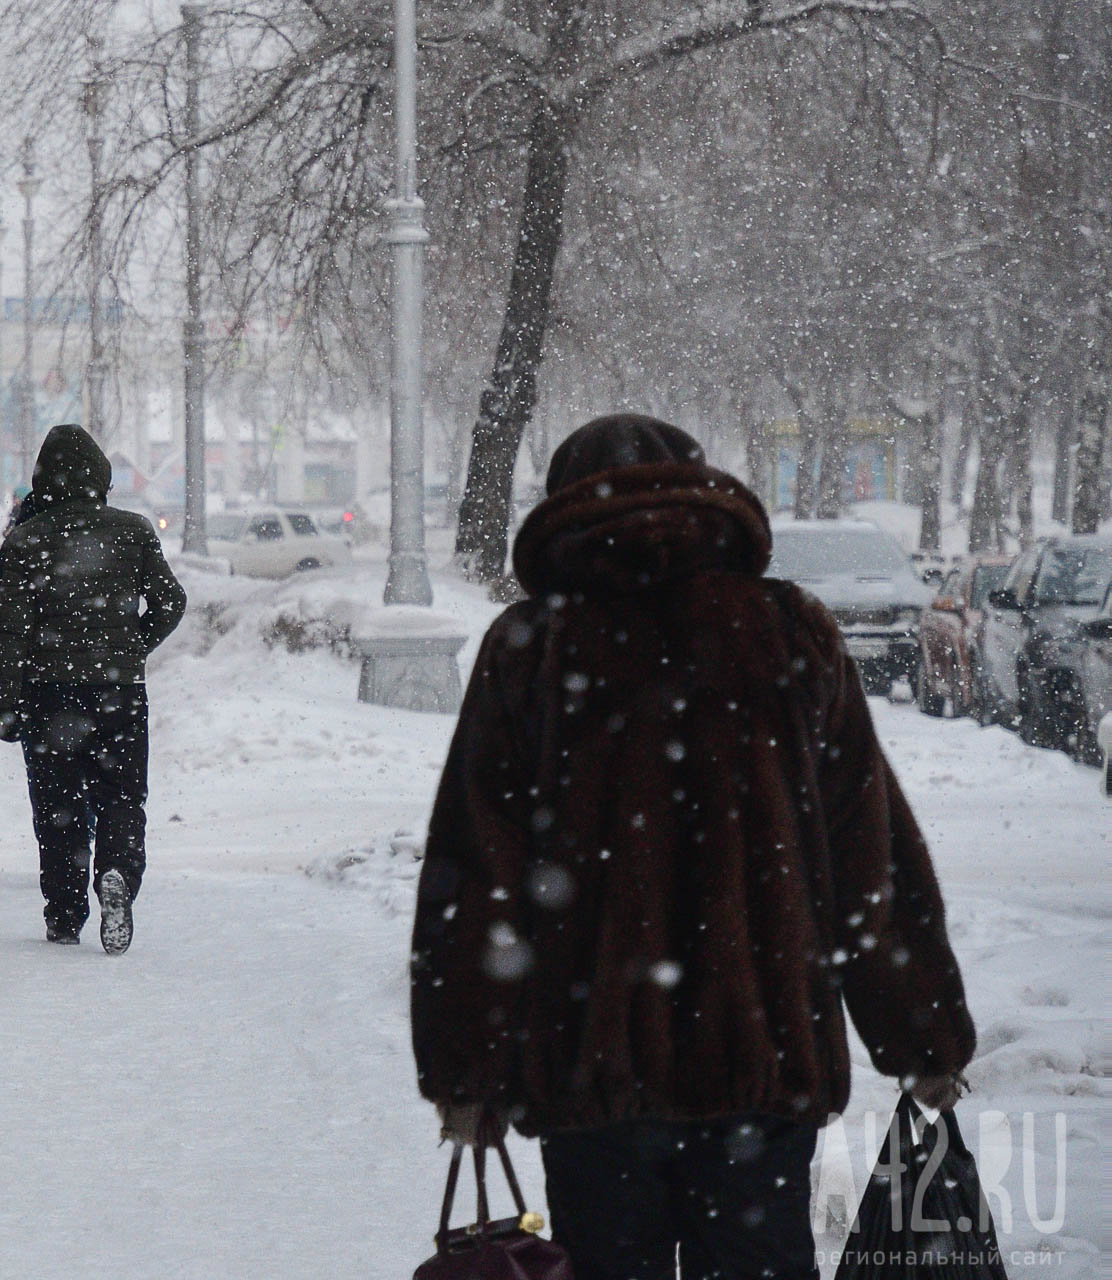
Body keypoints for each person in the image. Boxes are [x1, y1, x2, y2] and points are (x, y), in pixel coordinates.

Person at [409, 414, 975, 1280]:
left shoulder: (530, 648)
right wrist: (922, 1033)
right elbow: (872, 856)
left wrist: (467, 1069)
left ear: (560, 507)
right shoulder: (790, 632)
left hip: (590, 1076)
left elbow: (479, 876)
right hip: (761, 1069)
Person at [0, 424, 187, 953]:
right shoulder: (134, 530)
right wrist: (130, 647)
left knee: (58, 806)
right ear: (101, 475)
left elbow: (8, 631)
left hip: (48, 694)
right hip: (119, 693)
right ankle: (117, 873)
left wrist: (4, 698)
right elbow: (171, 602)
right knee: (122, 796)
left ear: (42, 479)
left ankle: (64, 912)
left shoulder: (26, 540)